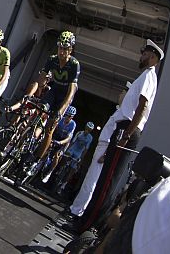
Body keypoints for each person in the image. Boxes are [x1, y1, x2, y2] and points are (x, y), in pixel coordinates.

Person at [64, 39, 163, 233]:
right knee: (104, 181)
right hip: (125, 128)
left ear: (152, 57)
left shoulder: (149, 76)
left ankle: (86, 225)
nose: (141, 56)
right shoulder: (146, 76)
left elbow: (141, 107)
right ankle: (85, 221)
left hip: (128, 128)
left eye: (144, 53)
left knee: (106, 182)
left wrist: (126, 134)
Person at [11, 31, 80, 163]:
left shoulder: (74, 64)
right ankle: (28, 136)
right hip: (54, 91)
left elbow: (71, 91)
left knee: (50, 128)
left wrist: (60, 111)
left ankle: (36, 159)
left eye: (65, 49)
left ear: (70, 49)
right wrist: (30, 96)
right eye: (60, 47)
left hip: (65, 96)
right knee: (40, 109)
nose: (61, 52)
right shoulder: (52, 59)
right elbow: (40, 80)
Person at [51, 121, 95, 188]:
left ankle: (63, 184)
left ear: (90, 131)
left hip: (79, 152)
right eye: (87, 128)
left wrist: (81, 158)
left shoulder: (90, 138)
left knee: (72, 169)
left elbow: (86, 149)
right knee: (66, 157)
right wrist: (66, 151)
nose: (87, 131)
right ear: (85, 127)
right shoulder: (79, 133)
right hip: (73, 148)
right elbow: (72, 142)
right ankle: (59, 169)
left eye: (89, 130)